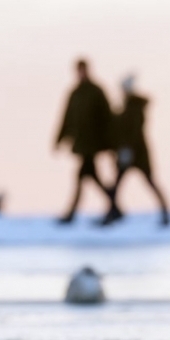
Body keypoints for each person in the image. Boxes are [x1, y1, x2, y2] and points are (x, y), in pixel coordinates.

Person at [105, 75, 170, 227]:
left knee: (148, 182)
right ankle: (112, 213)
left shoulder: (134, 107)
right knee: (117, 185)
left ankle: (165, 214)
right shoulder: (126, 106)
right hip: (127, 151)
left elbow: (134, 131)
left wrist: (127, 149)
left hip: (137, 153)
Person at [54, 59, 115, 224]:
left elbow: (107, 117)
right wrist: (59, 139)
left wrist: (110, 142)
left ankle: (71, 214)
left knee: (82, 177)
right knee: (91, 177)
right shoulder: (75, 94)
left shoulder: (96, 92)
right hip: (82, 144)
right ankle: (115, 207)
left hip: (93, 144)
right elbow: (67, 118)